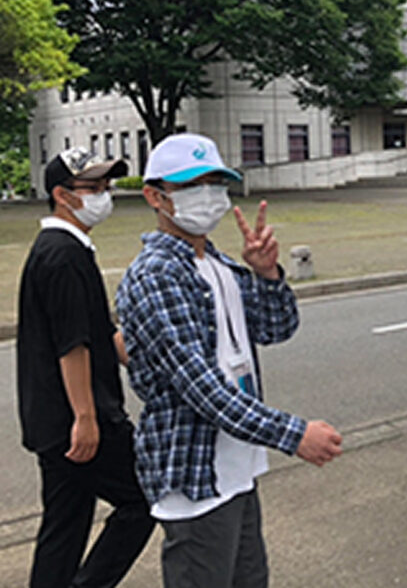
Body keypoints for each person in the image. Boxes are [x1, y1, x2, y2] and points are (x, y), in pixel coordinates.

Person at [116, 133, 342, 588]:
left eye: (215, 182)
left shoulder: (219, 264)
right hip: (195, 476)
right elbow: (201, 386)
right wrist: (294, 435)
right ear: (155, 196)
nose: (208, 195)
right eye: (191, 185)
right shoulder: (156, 275)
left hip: (238, 466)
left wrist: (267, 274)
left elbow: (276, 328)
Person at [17, 147, 154, 588]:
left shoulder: (63, 248)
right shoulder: (64, 256)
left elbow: (100, 331)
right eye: (93, 187)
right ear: (62, 195)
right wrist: (86, 417)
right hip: (79, 421)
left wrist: (152, 364)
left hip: (53, 421)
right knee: (142, 497)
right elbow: (72, 345)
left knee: (65, 525)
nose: (104, 195)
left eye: (106, 186)